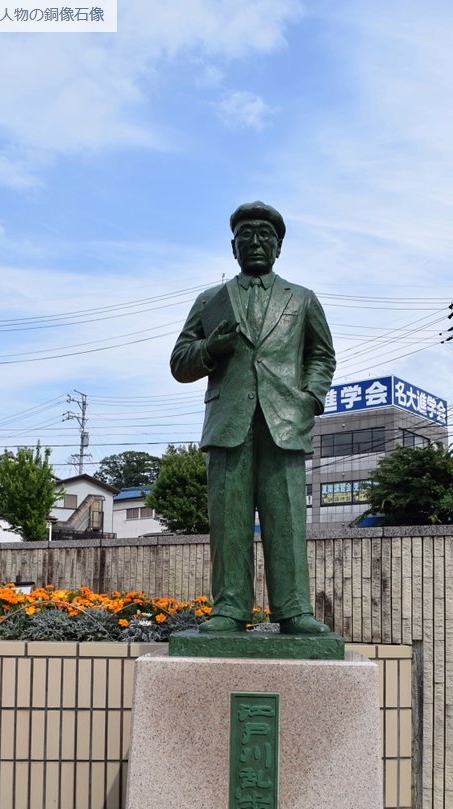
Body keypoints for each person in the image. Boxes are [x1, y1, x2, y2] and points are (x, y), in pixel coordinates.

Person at [171, 201, 336, 635]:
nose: (256, 242)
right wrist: (211, 349)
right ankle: (230, 608)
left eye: (266, 234)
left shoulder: (302, 299)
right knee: (229, 521)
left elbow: (321, 355)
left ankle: (294, 609)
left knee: (286, 520)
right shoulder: (211, 301)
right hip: (229, 424)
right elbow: (179, 362)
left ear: (279, 246)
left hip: (285, 421)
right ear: (233, 246)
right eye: (247, 235)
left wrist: (310, 398)